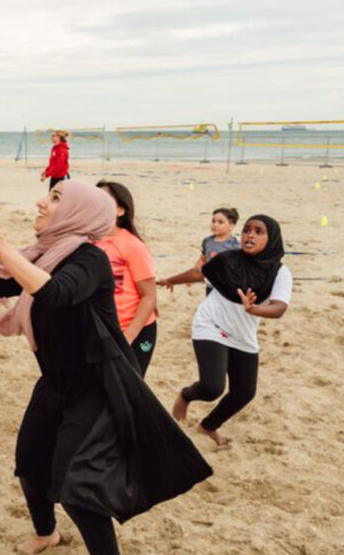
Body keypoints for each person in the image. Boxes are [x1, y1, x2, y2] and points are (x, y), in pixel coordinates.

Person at [0, 182, 211, 555]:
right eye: (48, 195)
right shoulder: (42, 253)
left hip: (97, 384)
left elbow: (55, 291)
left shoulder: (90, 259)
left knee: (77, 483)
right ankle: (46, 534)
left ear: (77, 213)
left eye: (57, 198)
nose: (43, 201)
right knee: (30, 464)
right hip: (56, 381)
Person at [168, 215, 291, 447]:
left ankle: (208, 426)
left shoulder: (280, 272)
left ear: (272, 238)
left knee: (244, 393)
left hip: (243, 334)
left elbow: (279, 308)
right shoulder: (227, 259)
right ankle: (186, 395)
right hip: (210, 324)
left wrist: (255, 310)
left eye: (258, 231)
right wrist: (170, 280)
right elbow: (199, 273)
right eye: (247, 230)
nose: (250, 235)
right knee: (212, 387)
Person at [95, 181, 159, 376]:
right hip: (103, 331)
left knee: (131, 392)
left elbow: (149, 297)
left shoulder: (132, 245)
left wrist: (127, 337)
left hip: (135, 330)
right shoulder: (86, 242)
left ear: (120, 210)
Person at [158, 208, 240, 296]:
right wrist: (192, 278)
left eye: (220, 222)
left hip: (226, 288)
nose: (215, 224)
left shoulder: (235, 246)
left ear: (232, 226)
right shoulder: (208, 241)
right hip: (210, 285)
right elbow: (202, 260)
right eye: (213, 221)